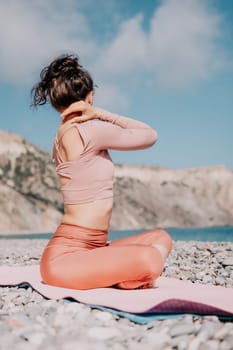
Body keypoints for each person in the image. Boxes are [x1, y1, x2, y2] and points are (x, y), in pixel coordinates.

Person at [31, 54, 172, 290]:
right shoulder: (89, 130)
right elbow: (149, 135)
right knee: (150, 259)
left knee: (160, 238)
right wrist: (101, 113)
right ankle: (126, 274)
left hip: (93, 248)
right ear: (90, 97)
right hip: (63, 261)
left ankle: (118, 273)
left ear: (57, 104)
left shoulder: (61, 135)